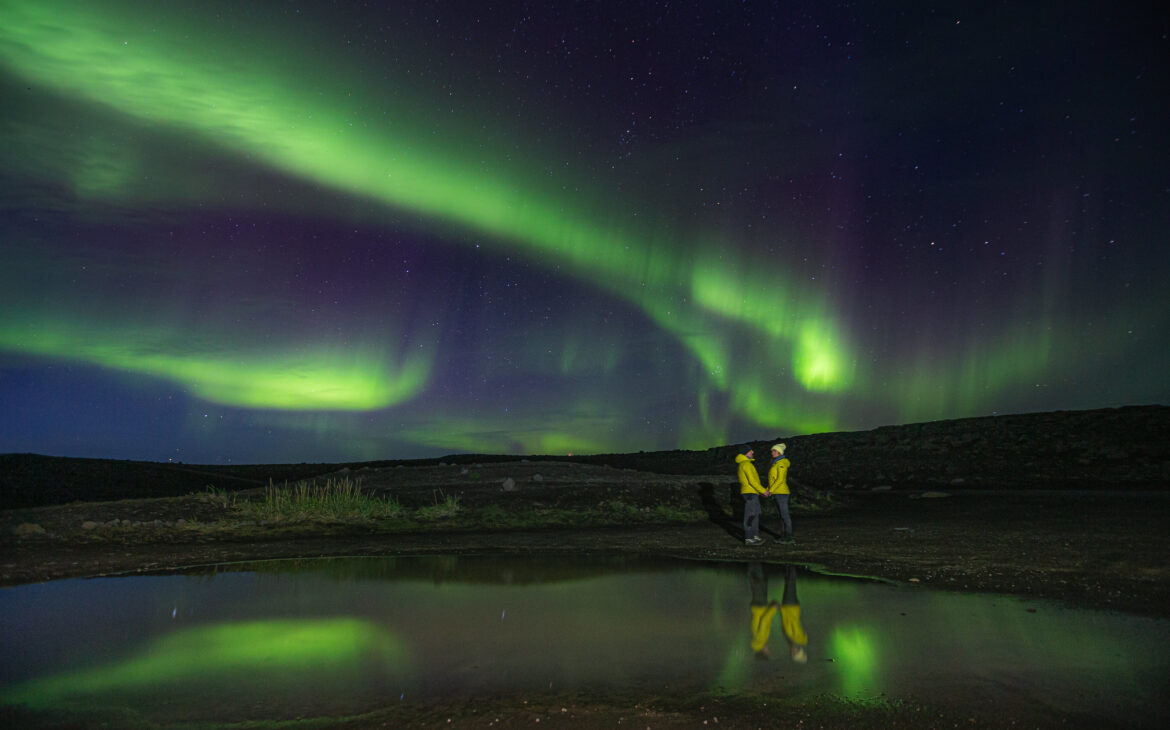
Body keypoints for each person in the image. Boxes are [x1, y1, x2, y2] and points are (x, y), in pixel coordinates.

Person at [736, 445, 766, 546]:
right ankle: (749, 538)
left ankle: (754, 535)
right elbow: (752, 481)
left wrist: (761, 491)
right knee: (750, 515)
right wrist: (763, 491)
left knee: (756, 514)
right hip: (750, 493)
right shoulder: (746, 464)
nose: (752, 452)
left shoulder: (747, 464)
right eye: (750, 451)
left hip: (753, 492)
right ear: (746, 453)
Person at [747, 561, 778, 659]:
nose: (769, 649)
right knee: (757, 584)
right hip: (757, 608)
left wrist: (773, 609)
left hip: (760, 607)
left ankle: (755, 559)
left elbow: (764, 621)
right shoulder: (757, 640)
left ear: (764, 652)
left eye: (768, 652)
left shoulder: (761, 640)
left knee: (759, 582)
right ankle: (752, 561)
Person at [765, 443, 794, 544]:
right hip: (777, 492)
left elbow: (780, 480)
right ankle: (784, 536)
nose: (772, 452)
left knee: (784, 515)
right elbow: (772, 480)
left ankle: (789, 537)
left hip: (781, 492)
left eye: (773, 450)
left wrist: (770, 490)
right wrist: (766, 490)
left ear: (779, 452)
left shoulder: (781, 463)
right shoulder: (776, 463)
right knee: (782, 515)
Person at [780, 564, 808, 663]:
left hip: (789, 607)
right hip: (791, 608)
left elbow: (785, 623)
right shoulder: (798, 639)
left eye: (793, 653)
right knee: (790, 584)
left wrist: (781, 610)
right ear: (799, 650)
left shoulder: (791, 640)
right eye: (796, 652)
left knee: (789, 584)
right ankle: (792, 566)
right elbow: (792, 622)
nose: (793, 651)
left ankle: (789, 567)